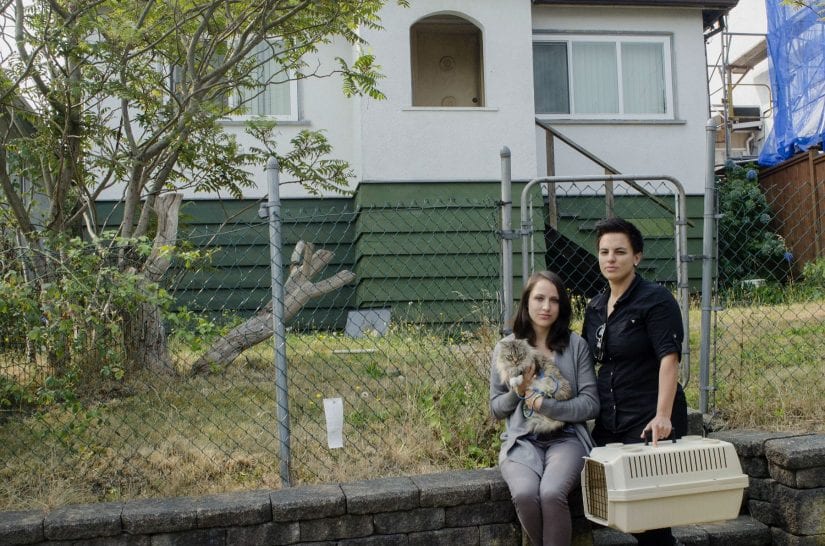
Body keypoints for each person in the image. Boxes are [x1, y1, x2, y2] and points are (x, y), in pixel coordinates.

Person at [582, 217, 688, 546]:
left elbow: (669, 358)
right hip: (610, 419)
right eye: (604, 252)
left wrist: (662, 416)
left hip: (648, 418)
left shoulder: (655, 300)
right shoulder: (596, 307)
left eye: (620, 251)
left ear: (637, 257)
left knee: (652, 520)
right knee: (617, 507)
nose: (610, 259)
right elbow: (587, 359)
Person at [490, 270, 599, 546]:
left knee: (551, 493)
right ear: (526, 302)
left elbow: (591, 404)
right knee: (526, 494)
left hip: (567, 439)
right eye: (539, 298)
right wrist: (519, 393)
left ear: (562, 306)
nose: (546, 307)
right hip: (522, 441)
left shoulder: (576, 346)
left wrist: (545, 405)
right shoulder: (507, 347)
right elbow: (495, 409)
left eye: (554, 300)